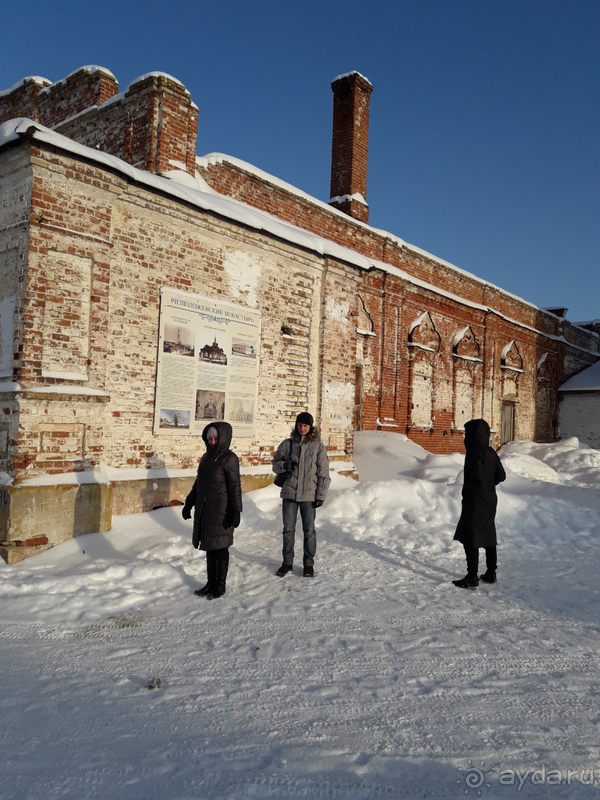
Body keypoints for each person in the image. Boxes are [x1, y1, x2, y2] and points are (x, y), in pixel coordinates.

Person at [182, 421, 242, 599]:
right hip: (207, 510)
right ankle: (210, 582)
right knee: (210, 547)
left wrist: (236, 510)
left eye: (215, 438)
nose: (212, 442)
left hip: (222, 511)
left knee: (221, 548)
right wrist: (189, 503)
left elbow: (235, 486)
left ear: (223, 438)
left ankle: (220, 585)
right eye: (210, 438)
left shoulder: (229, 458)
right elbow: (198, 483)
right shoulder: (207, 457)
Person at [272, 412, 331, 577]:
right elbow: (275, 464)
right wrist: (284, 465)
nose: (302, 428)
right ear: (296, 426)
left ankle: (308, 564)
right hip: (290, 493)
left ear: (310, 427)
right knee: (288, 530)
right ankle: (287, 562)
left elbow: (323, 473)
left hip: (309, 495)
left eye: (305, 425)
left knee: (309, 531)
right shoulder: (287, 444)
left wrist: (320, 495)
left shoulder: (318, 447)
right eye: (299, 425)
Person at [452, 418, 506, 589]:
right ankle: (491, 573)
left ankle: (472, 576)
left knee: (471, 537)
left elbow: (476, 475)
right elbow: (501, 475)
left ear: (472, 435)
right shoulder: (491, 451)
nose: (464, 437)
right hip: (490, 498)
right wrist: (489, 486)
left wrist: (469, 491)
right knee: (488, 534)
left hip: (475, 500)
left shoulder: (473, 452)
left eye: (466, 433)